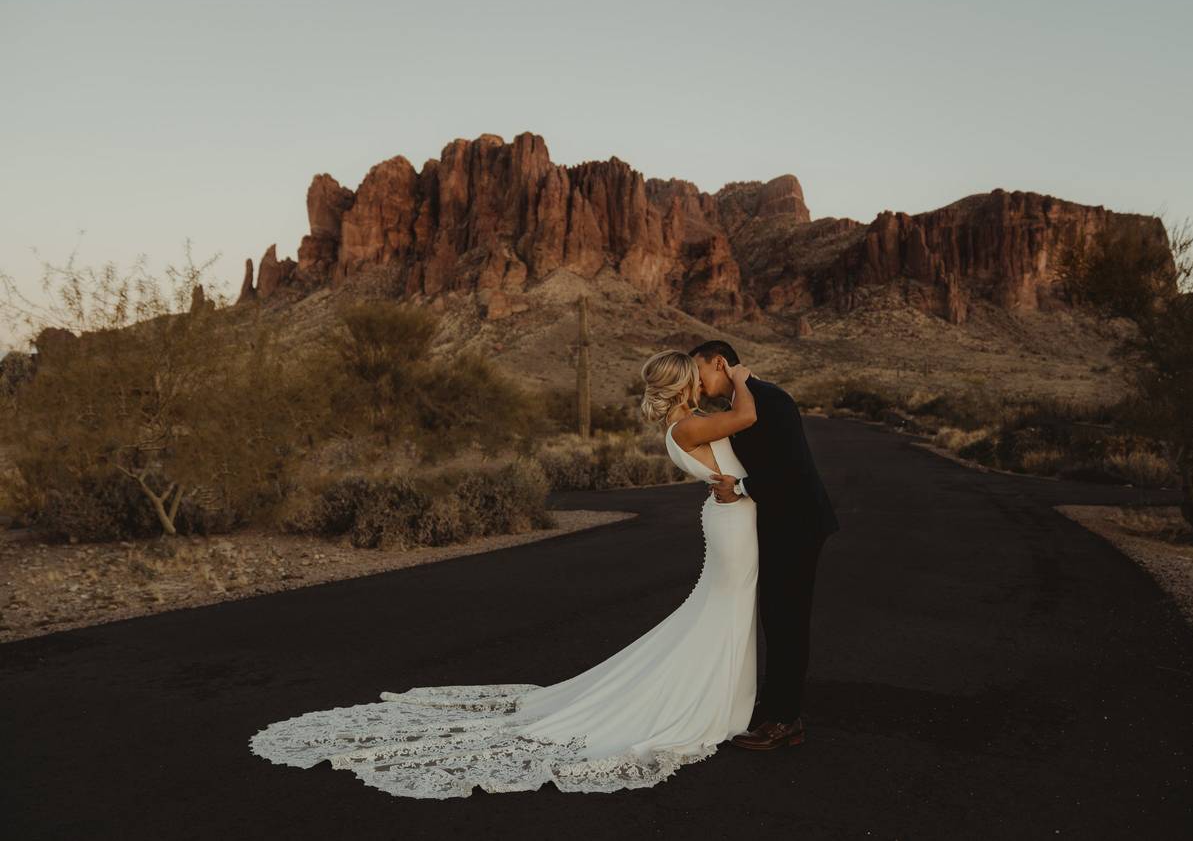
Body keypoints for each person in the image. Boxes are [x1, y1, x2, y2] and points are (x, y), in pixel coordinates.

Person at [248, 349, 763, 798]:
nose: (703, 378)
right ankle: (708, 705)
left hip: (729, 514)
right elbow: (748, 414)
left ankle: (717, 699)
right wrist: (740, 377)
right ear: (685, 384)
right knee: (723, 609)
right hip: (732, 522)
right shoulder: (688, 426)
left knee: (719, 608)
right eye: (696, 374)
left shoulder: (683, 425)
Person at [688, 339, 838, 750]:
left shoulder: (772, 400)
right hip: (780, 522)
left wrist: (742, 488)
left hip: (799, 523)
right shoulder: (744, 404)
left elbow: (790, 470)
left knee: (787, 620)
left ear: (720, 363)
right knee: (777, 619)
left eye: (700, 373)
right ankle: (775, 710)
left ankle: (786, 721)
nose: (698, 384)